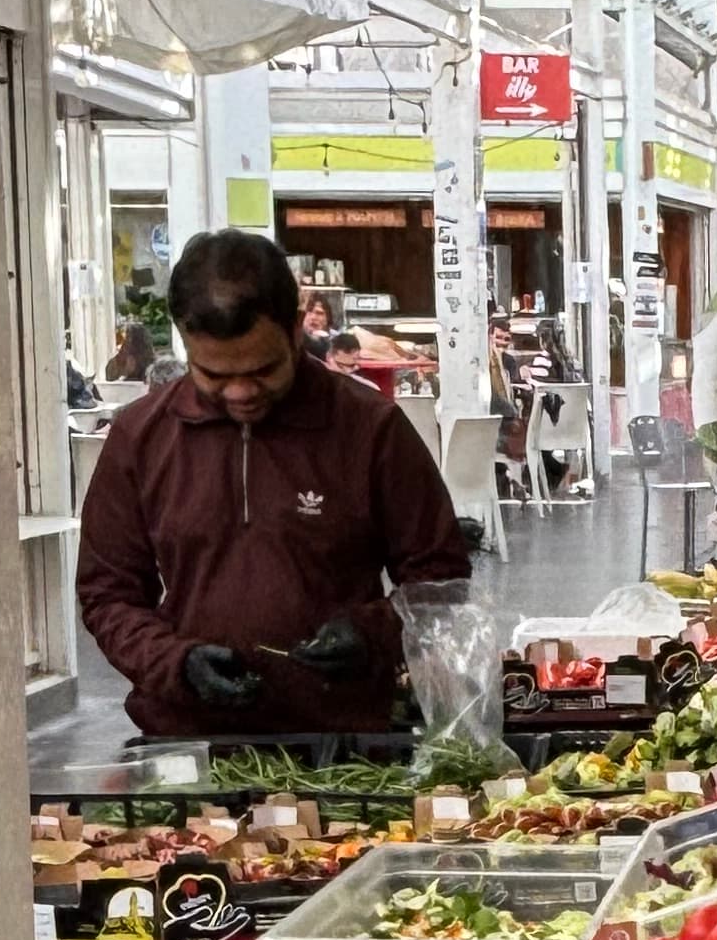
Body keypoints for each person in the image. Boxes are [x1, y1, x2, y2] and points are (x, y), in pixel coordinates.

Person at [76, 228, 469, 737]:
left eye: (263, 370)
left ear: (297, 329)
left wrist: (374, 634)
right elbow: (108, 594)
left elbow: (441, 577)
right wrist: (176, 663)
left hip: (342, 744)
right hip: (187, 740)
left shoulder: (370, 428)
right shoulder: (141, 437)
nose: (240, 392)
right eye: (212, 375)